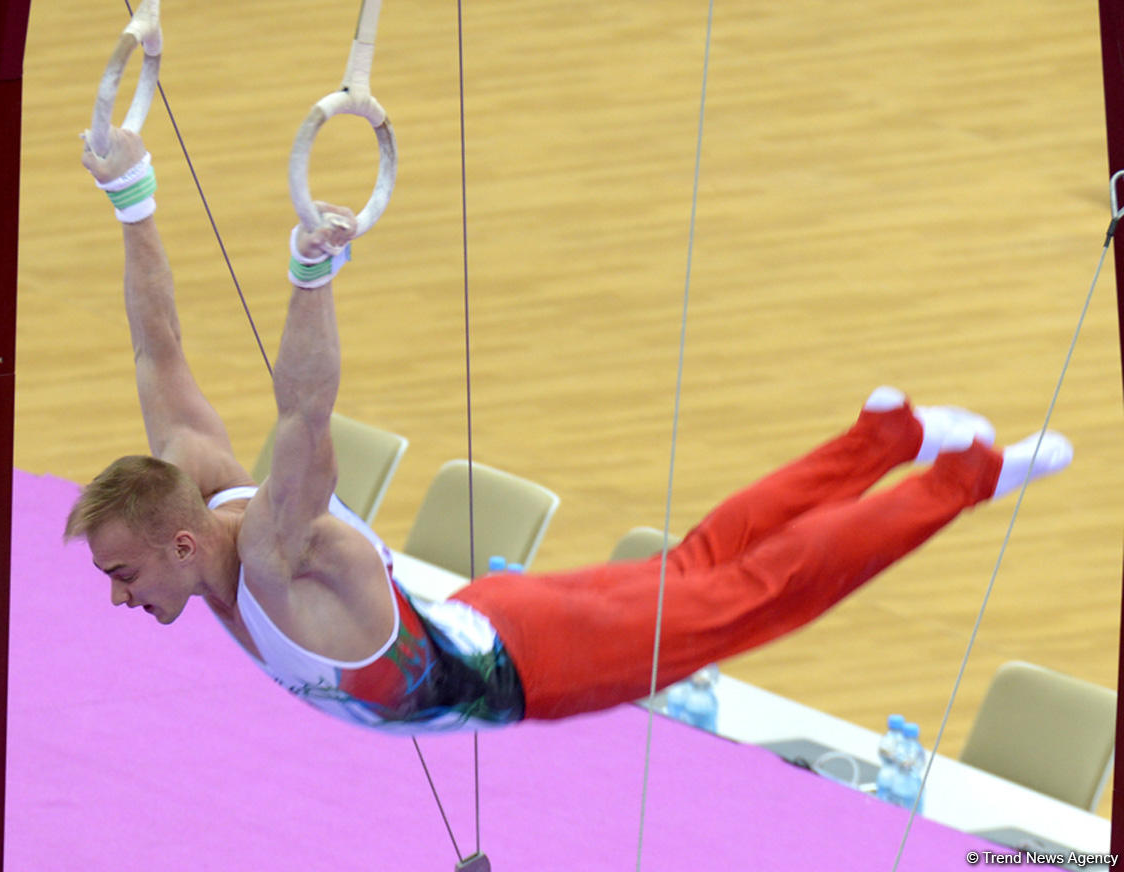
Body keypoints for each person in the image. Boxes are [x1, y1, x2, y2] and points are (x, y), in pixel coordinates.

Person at [65, 126, 1074, 734]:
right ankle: (881, 439)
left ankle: (962, 475)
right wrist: (131, 194)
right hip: (490, 616)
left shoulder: (282, 551)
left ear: (183, 540)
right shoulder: (199, 485)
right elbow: (158, 349)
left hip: (538, 666)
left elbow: (305, 412)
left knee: (754, 592)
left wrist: (312, 275)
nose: (120, 596)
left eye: (121, 571)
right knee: (706, 566)